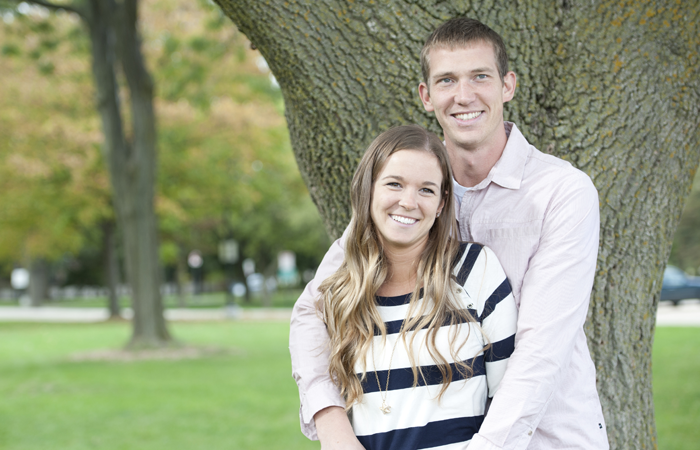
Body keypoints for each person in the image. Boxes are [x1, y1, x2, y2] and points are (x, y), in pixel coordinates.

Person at [290, 17, 610, 450]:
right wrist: (331, 426)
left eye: (480, 76)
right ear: (427, 96)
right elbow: (313, 309)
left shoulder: (562, 192)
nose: (464, 96)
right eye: (446, 80)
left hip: (547, 437)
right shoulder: (410, 196)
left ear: (507, 86)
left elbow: (540, 352)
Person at [318, 124, 517, 449]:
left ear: (442, 203)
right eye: (394, 184)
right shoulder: (343, 292)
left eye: (426, 190)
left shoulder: (473, 270)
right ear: (369, 189)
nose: (409, 202)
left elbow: (510, 399)